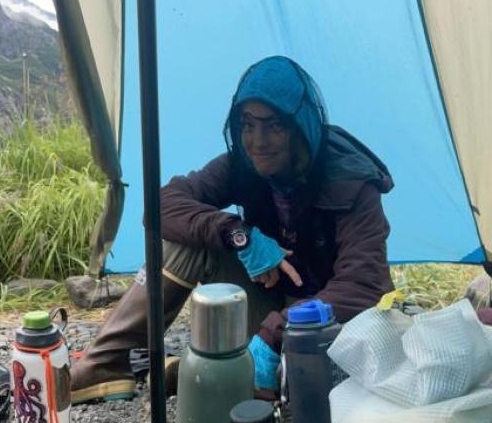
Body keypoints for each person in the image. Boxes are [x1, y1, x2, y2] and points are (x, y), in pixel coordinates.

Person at [71, 55, 394, 404]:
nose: (257, 140)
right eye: (247, 123)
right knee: (188, 240)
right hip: (268, 303)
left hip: (327, 321)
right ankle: (106, 364)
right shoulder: (242, 164)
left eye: (274, 125)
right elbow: (162, 205)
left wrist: (277, 331)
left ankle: (205, 373)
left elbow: (363, 285)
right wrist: (238, 234)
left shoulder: (352, 180)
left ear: (300, 126)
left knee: (305, 387)